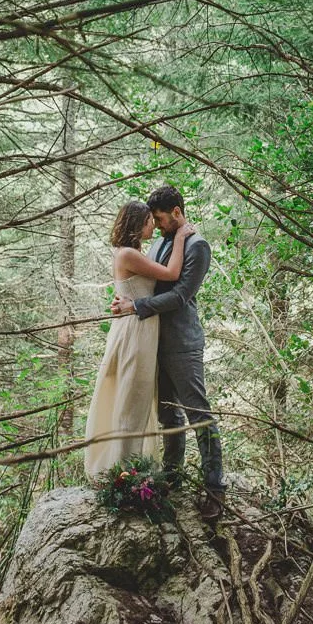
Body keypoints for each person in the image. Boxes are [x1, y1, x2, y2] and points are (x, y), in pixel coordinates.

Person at [109, 185, 226, 522]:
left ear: (177, 212)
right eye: (154, 221)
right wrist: (125, 300)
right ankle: (172, 477)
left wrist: (136, 305)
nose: (156, 226)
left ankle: (215, 487)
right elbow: (146, 279)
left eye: (160, 219)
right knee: (167, 416)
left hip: (183, 343)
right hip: (153, 341)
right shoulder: (162, 241)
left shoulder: (198, 246)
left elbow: (180, 295)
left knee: (198, 414)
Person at [83, 200, 196, 481]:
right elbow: (171, 274)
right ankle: (122, 474)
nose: (154, 226)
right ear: (138, 223)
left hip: (141, 329)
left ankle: (130, 469)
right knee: (130, 402)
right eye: (149, 220)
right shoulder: (128, 255)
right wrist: (180, 237)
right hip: (135, 332)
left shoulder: (134, 253)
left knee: (139, 400)